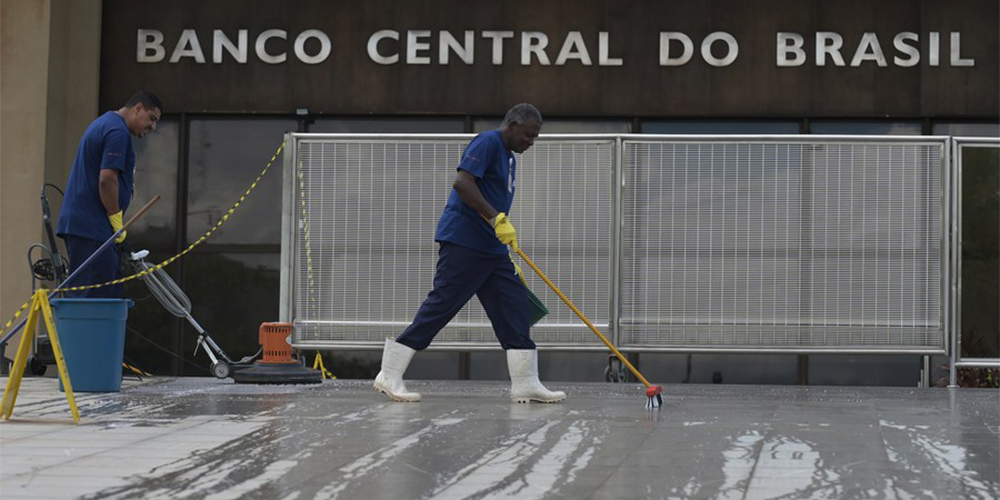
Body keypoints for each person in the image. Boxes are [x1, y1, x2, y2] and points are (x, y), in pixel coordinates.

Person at [374, 103, 566, 404]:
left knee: (514, 306)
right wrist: (496, 218)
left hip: (492, 248)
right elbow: (463, 183)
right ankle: (389, 374)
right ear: (512, 125)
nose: (531, 142)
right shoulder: (487, 142)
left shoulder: (509, 156)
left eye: (535, 137)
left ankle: (526, 383)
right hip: (465, 242)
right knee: (443, 304)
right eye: (529, 135)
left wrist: (500, 235)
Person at [56, 91, 162, 298]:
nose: (153, 127)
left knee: (106, 293)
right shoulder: (117, 131)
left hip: (88, 227)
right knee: (96, 299)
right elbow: (106, 180)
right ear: (138, 108)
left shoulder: (104, 123)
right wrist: (115, 218)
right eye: (152, 119)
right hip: (92, 229)